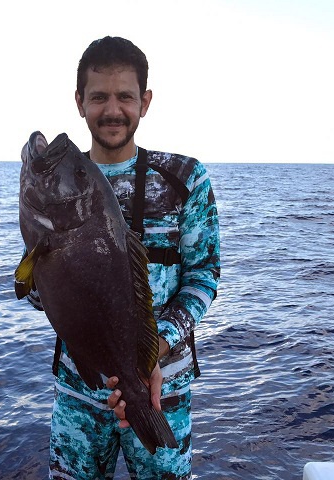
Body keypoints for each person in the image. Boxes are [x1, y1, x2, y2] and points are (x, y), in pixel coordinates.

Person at [28, 36, 220, 479]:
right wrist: (40, 263)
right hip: (78, 390)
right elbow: (42, 298)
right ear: (79, 102)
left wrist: (153, 352)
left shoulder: (185, 178)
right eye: (99, 97)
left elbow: (204, 275)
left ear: (145, 102)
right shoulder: (55, 185)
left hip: (162, 388)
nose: (112, 110)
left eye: (125, 97)